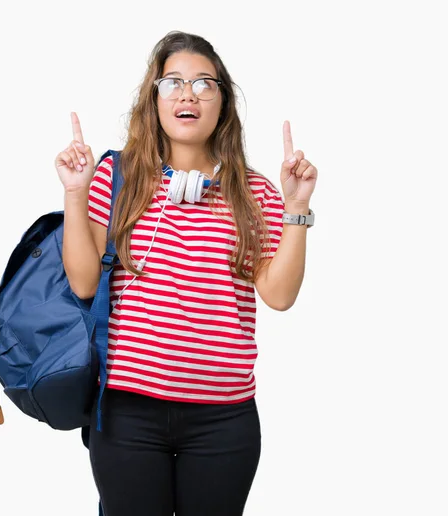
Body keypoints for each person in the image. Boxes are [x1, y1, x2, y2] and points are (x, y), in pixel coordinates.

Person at [54, 30, 318, 516]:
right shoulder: (116, 178)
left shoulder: (255, 193)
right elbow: (84, 282)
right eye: (172, 82)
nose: (188, 94)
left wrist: (296, 207)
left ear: (223, 103)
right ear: (153, 100)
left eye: (204, 84)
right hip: (127, 413)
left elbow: (279, 296)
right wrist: (75, 191)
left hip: (224, 419)